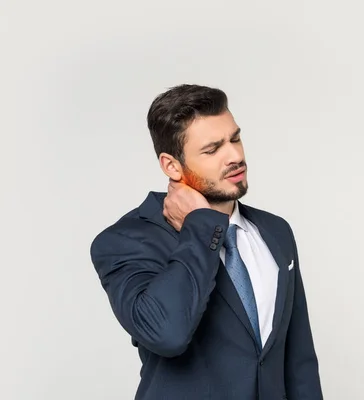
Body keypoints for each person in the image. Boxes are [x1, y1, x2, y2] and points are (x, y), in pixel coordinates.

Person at [90, 84, 323, 400]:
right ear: (172, 166)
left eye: (235, 138)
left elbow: (299, 362)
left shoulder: (275, 231)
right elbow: (167, 334)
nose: (235, 155)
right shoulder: (125, 240)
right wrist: (201, 227)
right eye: (213, 149)